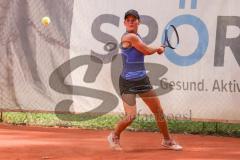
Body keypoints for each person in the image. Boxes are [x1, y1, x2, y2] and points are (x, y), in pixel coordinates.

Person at [107, 9, 183, 151]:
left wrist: (157, 49)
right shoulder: (129, 37)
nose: (130, 22)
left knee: (158, 111)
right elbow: (147, 51)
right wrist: (159, 49)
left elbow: (144, 50)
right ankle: (114, 136)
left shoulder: (137, 36)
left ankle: (167, 140)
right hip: (127, 82)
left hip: (142, 80)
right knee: (131, 116)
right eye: (128, 20)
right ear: (124, 23)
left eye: (133, 20)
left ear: (138, 22)